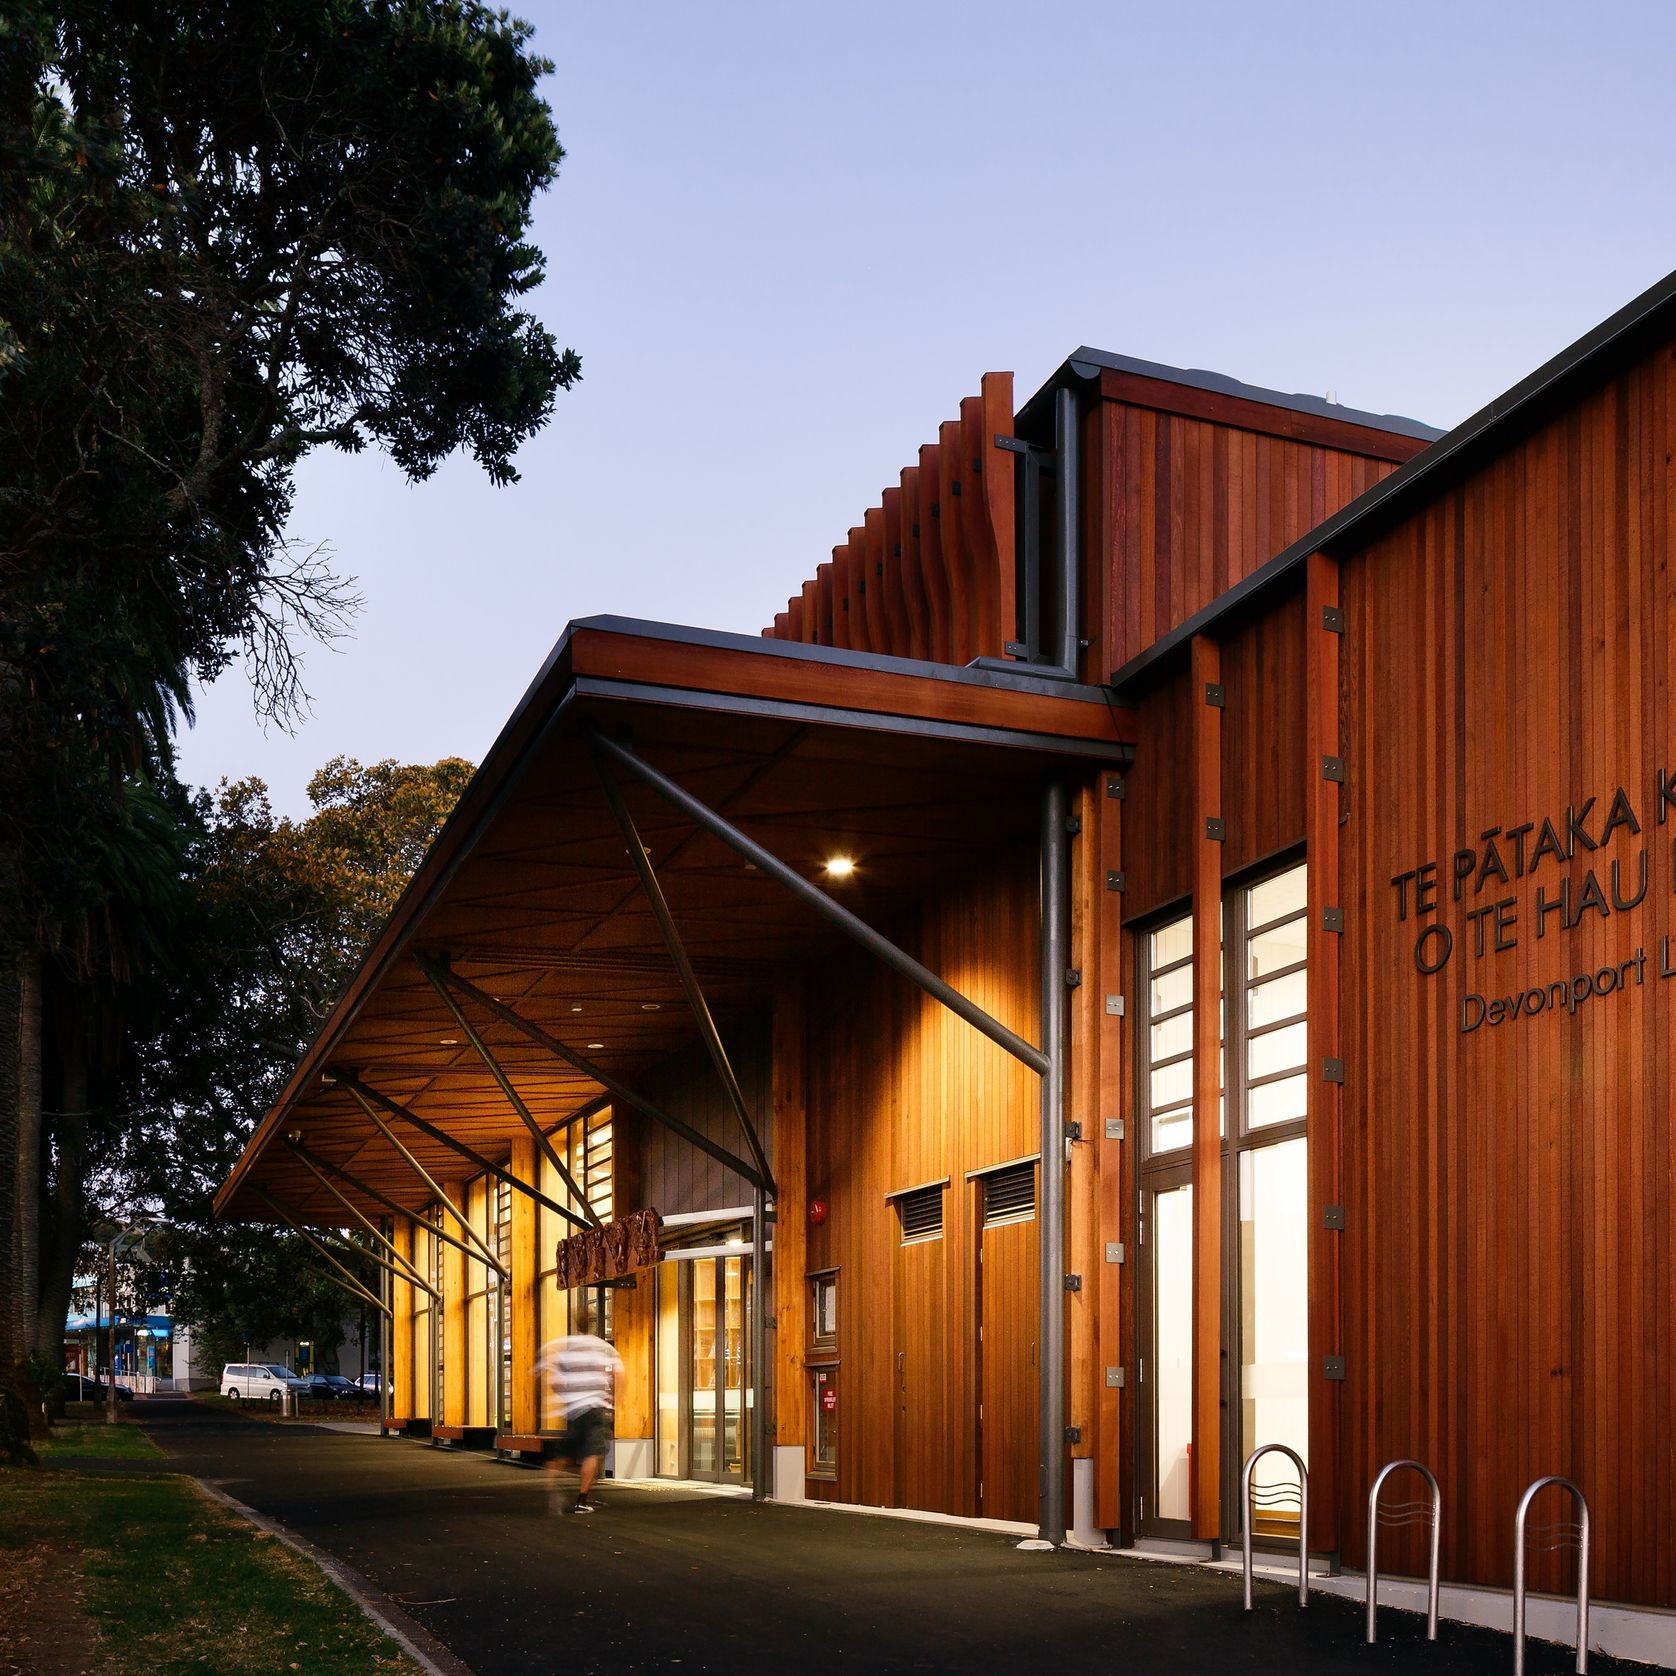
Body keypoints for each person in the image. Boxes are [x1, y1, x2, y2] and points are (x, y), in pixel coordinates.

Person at [535, 1308, 623, 1514]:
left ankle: (551, 1483)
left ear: (576, 1323)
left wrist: (566, 1397)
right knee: (591, 1454)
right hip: (594, 1408)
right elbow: (619, 1374)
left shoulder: (568, 1348)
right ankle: (582, 1500)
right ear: (593, 1323)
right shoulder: (603, 1348)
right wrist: (614, 1398)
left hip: (574, 1410)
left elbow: (553, 1379)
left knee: (566, 1452)